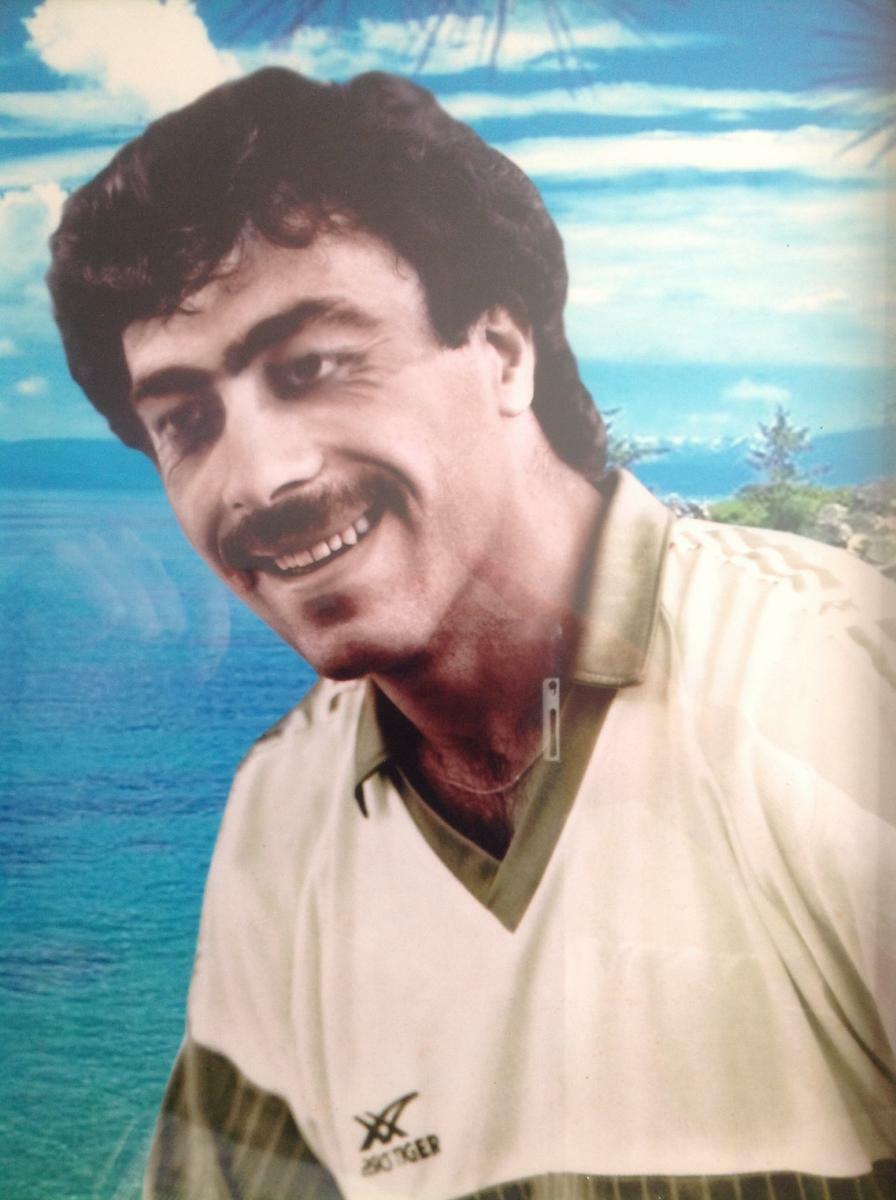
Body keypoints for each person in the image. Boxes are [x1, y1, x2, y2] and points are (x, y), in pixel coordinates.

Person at [48, 67, 895, 1200]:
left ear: (503, 349)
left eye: (312, 367)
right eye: (184, 422)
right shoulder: (282, 810)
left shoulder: (827, 685)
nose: (257, 477)